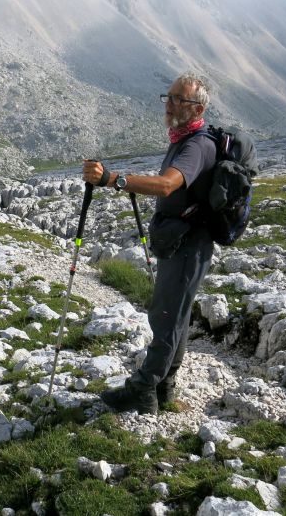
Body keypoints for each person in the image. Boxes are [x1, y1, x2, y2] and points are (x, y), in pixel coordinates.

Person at [83, 72, 217, 414]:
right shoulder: (184, 138)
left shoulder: (196, 145)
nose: (169, 104)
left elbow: (167, 185)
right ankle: (164, 387)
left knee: (166, 316)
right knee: (176, 316)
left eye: (177, 99)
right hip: (183, 242)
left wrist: (114, 179)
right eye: (168, 97)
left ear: (198, 108)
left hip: (188, 245)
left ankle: (143, 390)